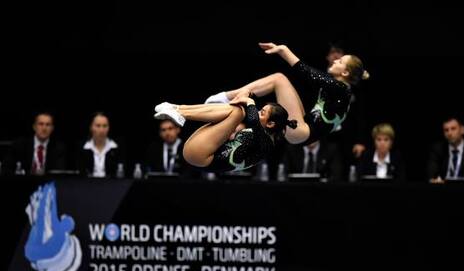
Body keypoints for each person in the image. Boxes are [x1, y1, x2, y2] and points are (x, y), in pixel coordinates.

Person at [205, 42, 369, 145]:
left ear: (346, 73)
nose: (334, 61)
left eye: (340, 62)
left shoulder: (341, 88)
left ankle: (225, 98)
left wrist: (284, 51)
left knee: (279, 79)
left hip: (301, 132)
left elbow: (307, 73)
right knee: (280, 80)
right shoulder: (341, 89)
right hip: (303, 129)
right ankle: (226, 98)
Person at [153, 97, 296, 172]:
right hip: (202, 154)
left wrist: (249, 101)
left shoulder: (266, 143)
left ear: (271, 124)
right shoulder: (258, 136)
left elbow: (252, 119)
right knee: (237, 111)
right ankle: (177, 109)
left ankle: (179, 111)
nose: (258, 112)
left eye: (262, 113)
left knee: (239, 112)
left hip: (201, 157)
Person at [427, 117, 464, 183]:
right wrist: (433, 180)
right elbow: (431, 175)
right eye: (446, 130)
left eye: (453, 129)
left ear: (462, 130)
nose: (449, 133)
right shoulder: (438, 149)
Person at [78, 112, 124, 178]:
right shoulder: (83, 148)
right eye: (98, 126)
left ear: (109, 128)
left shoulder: (116, 148)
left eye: (105, 126)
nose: (101, 130)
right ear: (91, 127)